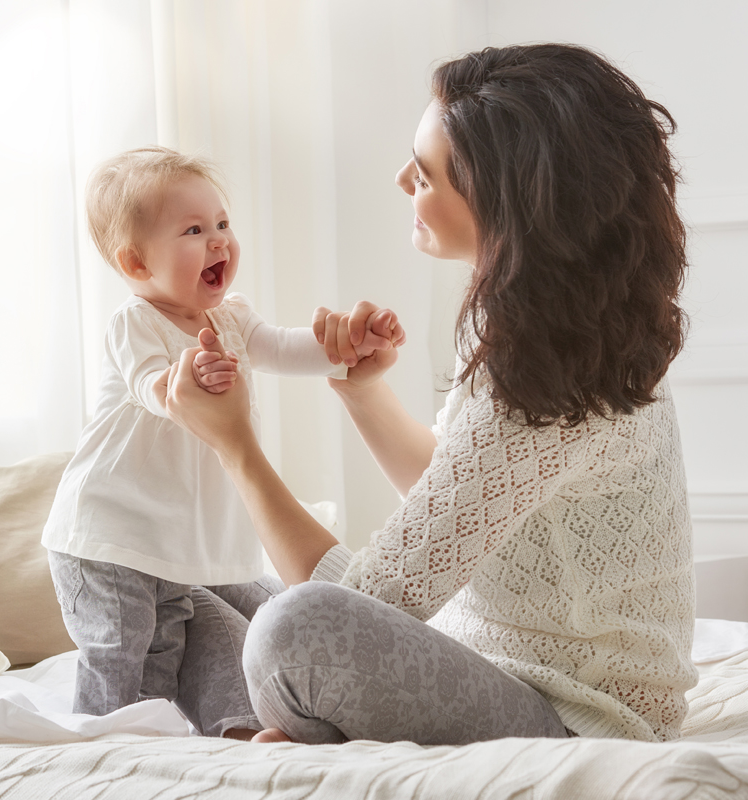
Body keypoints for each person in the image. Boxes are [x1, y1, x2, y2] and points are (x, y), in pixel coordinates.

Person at [163, 43, 697, 745]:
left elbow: (368, 597)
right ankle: (309, 723)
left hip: (580, 718)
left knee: (291, 627)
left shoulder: (547, 374)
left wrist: (235, 446)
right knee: (229, 598)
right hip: (504, 667)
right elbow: (462, 487)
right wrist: (363, 394)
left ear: (504, 203)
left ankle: (309, 723)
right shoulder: (556, 330)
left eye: (425, 173)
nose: (399, 180)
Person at [41, 146, 404, 738]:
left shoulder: (231, 320)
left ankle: (165, 752)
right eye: (193, 230)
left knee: (161, 659)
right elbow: (150, 387)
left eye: (222, 224)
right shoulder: (135, 323)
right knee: (119, 658)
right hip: (105, 534)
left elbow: (285, 347)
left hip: (168, 543)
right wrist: (186, 383)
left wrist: (344, 344)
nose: (219, 241)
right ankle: (94, 755)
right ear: (136, 263)